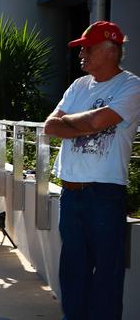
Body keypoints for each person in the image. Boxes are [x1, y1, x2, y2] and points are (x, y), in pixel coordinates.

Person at [43, 21, 140, 320]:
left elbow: (97, 123)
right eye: (81, 48)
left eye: (88, 48)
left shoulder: (132, 86)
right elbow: (50, 126)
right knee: (72, 273)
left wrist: (72, 122)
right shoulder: (78, 85)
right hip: (71, 194)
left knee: (106, 278)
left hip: (104, 194)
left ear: (110, 50)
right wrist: (84, 122)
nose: (81, 53)